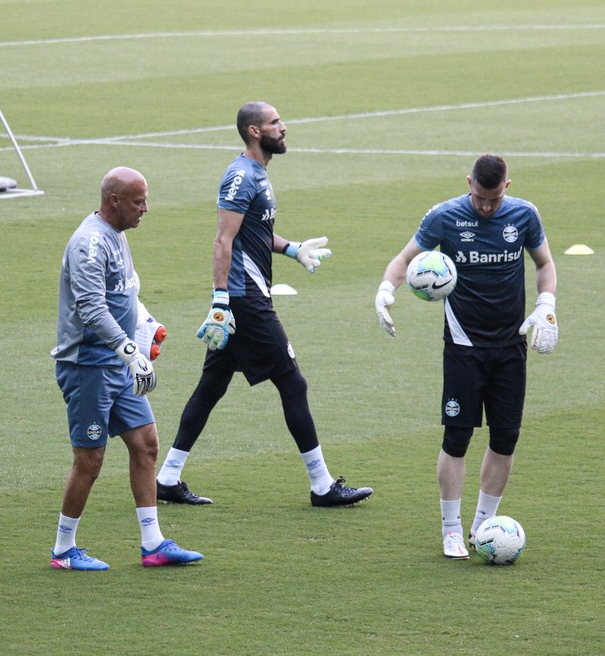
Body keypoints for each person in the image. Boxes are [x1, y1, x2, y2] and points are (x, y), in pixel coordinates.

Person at [155, 101, 373, 508]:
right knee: (292, 381)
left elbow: (252, 233)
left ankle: (167, 478)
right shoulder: (241, 176)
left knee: (211, 386)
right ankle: (322, 486)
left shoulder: (258, 174)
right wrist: (221, 300)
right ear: (255, 131)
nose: (283, 128)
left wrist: (292, 249)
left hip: (241, 296)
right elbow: (223, 239)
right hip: (243, 300)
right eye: (275, 123)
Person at [374, 154, 558, 559]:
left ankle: (481, 527)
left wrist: (547, 303)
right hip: (463, 347)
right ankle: (451, 529)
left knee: (505, 438)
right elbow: (405, 260)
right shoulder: (445, 216)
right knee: (457, 437)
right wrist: (387, 290)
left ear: (506, 187)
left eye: (493, 200)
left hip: (511, 345)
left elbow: (544, 263)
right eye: (479, 198)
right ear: (468, 183)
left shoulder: (525, 216)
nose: (486, 207)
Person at [49, 166, 203, 570]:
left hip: (114, 363)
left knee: (146, 443)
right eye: (139, 201)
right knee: (90, 459)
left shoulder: (116, 236)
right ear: (113, 201)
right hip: (88, 365)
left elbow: (125, 292)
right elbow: (91, 306)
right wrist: (130, 349)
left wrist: (147, 323)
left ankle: (153, 544)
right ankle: (63, 550)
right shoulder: (88, 244)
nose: (146, 209)